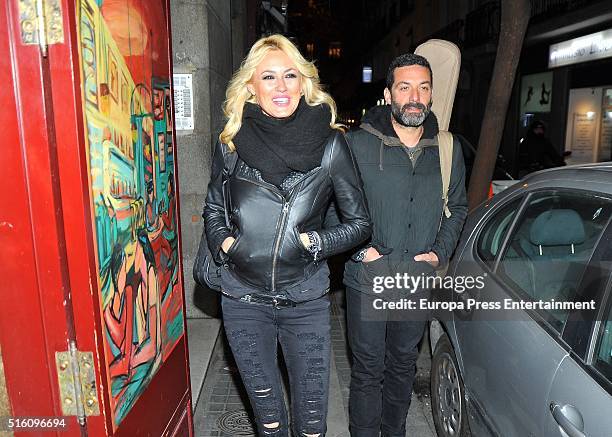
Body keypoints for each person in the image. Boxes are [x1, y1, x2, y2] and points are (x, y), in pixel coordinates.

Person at [203, 34, 371, 437]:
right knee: (270, 422)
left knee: (312, 427)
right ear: (251, 87)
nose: (281, 87)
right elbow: (213, 207)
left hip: (305, 300)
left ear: (303, 83)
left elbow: (361, 223)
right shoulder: (231, 144)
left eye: (290, 75)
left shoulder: (331, 145)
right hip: (243, 300)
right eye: (269, 77)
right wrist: (228, 245)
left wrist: (315, 244)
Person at [343, 53, 468, 437]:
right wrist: (361, 252)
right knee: (368, 369)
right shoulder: (356, 145)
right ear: (388, 94)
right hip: (369, 279)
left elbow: (458, 207)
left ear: (431, 95)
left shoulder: (447, 149)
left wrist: (439, 253)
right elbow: (332, 205)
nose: (414, 96)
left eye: (423, 87)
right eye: (405, 87)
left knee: (402, 366)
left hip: (416, 280)